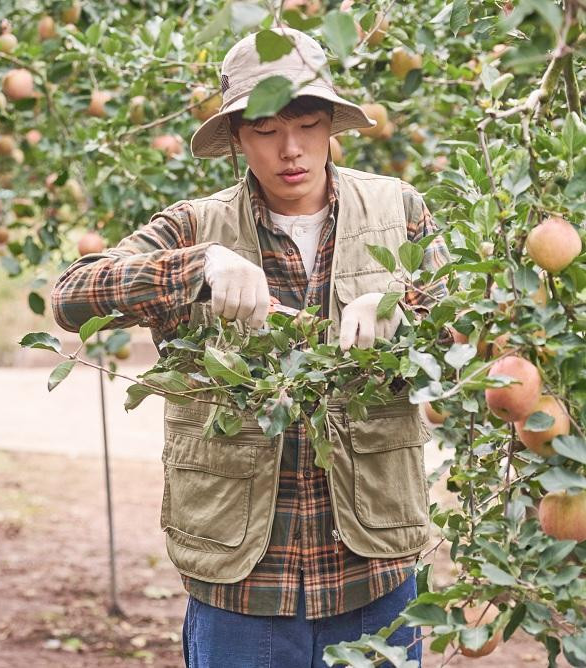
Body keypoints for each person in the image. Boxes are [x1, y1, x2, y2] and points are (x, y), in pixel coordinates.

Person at [51, 28, 448, 667]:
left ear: (330, 125)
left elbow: (466, 323)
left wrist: (403, 309)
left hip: (373, 570)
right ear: (236, 136)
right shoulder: (194, 226)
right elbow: (71, 297)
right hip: (241, 584)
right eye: (266, 131)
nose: (291, 149)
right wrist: (199, 267)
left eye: (308, 125)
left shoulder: (397, 210)